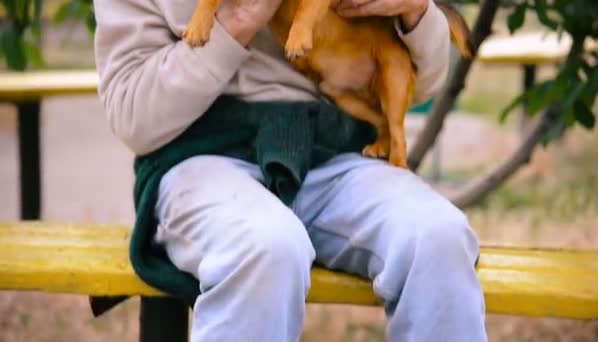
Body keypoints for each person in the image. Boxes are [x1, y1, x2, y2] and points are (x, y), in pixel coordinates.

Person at [92, 0, 487, 340]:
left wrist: (415, 12)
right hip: (200, 157)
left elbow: (421, 84)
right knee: (266, 246)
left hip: (333, 152)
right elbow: (132, 117)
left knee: (439, 237)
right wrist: (240, 20)